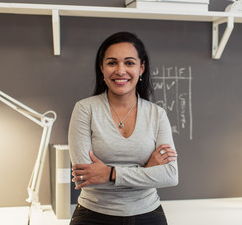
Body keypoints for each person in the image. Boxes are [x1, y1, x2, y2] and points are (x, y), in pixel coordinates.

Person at [68, 31, 178, 225]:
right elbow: (85, 177)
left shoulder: (157, 114)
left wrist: (110, 174)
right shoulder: (85, 109)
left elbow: (169, 175)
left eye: (129, 62)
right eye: (112, 63)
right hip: (93, 216)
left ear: (141, 68)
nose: (120, 71)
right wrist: (147, 170)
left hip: (149, 215)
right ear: (101, 68)